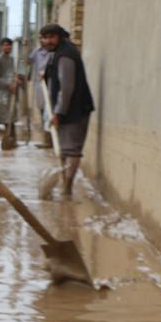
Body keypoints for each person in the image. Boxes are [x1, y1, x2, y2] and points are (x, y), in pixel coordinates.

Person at [40, 23, 95, 196]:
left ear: (60, 37)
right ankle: (65, 186)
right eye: (45, 38)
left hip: (74, 111)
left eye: (51, 37)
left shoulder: (65, 55)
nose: (48, 41)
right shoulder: (60, 52)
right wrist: (47, 74)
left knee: (71, 150)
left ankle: (67, 189)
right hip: (67, 110)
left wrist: (58, 113)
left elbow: (67, 87)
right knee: (64, 149)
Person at [0, 38, 23, 148]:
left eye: (9, 45)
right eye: (5, 45)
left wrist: (18, 81)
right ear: (1, 47)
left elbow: (19, 75)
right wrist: (8, 85)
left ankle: (13, 142)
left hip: (11, 95)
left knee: (11, 120)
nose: (7, 47)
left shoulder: (14, 60)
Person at [28, 39, 53, 144]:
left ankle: (50, 139)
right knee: (42, 109)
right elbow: (27, 61)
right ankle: (46, 138)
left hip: (50, 84)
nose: (43, 41)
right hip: (40, 84)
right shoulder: (37, 52)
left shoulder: (52, 53)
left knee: (50, 111)